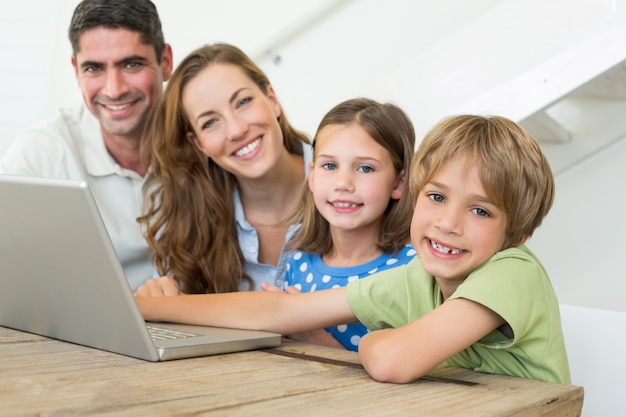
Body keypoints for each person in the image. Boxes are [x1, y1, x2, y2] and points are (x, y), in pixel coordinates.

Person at [135, 114, 571, 385]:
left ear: (517, 235)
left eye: (480, 210)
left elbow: (390, 361)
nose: (447, 223)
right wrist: (155, 309)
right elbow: (279, 312)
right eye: (436, 197)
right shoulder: (417, 277)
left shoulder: (514, 271)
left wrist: (373, 341)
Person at [0, 0, 173, 290]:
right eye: (94, 68)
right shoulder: (41, 155)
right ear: (76, 69)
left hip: (189, 320)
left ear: (165, 62)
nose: (114, 89)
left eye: (131, 64)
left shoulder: (207, 138)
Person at [138, 43, 311, 294]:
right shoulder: (188, 225)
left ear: (272, 100)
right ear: (199, 144)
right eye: (210, 122)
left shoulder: (355, 181)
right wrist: (158, 303)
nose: (236, 130)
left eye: (243, 102)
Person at [268, 98, 416, 351]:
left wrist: (310, 333)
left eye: (366, 168)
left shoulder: (412, 271)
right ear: (312, 176)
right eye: (330, 165)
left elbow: (399, 366)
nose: (343, 183)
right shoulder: (296, 258)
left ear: (398, 183)